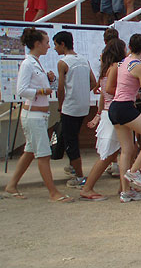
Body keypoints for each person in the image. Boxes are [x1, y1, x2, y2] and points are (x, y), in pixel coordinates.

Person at [4, 28, 72, 202]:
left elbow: (49, 87)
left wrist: (50, 80)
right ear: (37, 44)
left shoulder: (35, 62)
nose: (49, 46)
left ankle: (11, 186)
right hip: (33, 115)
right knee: (43, 154)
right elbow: (21, 90)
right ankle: (53, 192)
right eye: (46, 43)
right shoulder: (28, 64)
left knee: (30, 152)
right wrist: (42, 90)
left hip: (38, 115)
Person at [106, 34, 141, 202]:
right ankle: (135, 171)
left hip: (115, 107)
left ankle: (126, 191)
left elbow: (126, 88)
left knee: (127, 150)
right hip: (125, 107)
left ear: (129, 46)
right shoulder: (140, 67)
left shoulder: (122, 62)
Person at [80, 38, 126, 200]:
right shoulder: (116, 68)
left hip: (108, 112)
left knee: (123, 151)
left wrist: (98, 114)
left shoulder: (105, 69)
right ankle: (88, 188)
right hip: (114, 114)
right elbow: (111, 91)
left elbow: (102, 95)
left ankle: (124, 186)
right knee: (108, 154)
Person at [53, 31, 97, 188]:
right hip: (83, 106)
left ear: (62, 44)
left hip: (70, 106)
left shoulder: (63, 63)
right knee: (72, 136)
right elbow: (93, 82)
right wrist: (82, 91)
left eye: (56, 44)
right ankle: (73, 166)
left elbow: (60, 88)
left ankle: (79, 176)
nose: (54, 48)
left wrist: (60, 104)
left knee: (71, 141)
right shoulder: (84, 60)